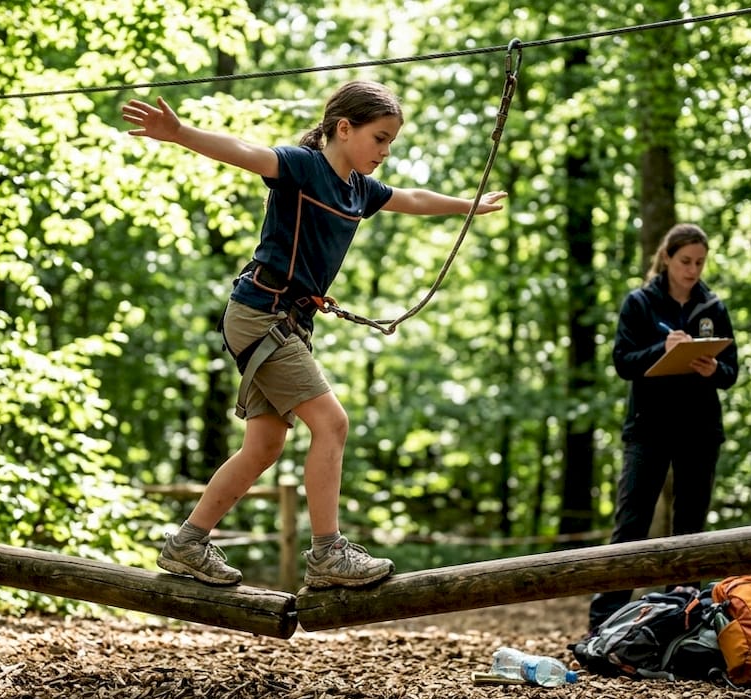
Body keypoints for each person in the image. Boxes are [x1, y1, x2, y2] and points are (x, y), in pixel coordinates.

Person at [121, 80, 507, 589]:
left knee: (264, 446)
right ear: (343, 129)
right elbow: (244, 152)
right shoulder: (303, 168)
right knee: (332, 423)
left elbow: (411, 198)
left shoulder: (358, 190)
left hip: (288, 321)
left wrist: (468, 205)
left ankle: (188, 543)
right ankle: (328, 553)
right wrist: (179, 133)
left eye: (392, 141)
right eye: (380, 138)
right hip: (261, 312)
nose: (386, 151)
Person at [588, 223, 738, 632]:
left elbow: (731, 372)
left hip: (700, 429)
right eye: (686, 261)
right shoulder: (639, 303)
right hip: (648, 428)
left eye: (700, 263)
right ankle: (605, 620)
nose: (693, 270)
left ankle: (684, 619)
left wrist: (712, 367)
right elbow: (623, 361)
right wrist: (662, 349)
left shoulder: (713, 306)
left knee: (691, 526)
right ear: (667, 258)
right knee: (632, 524)